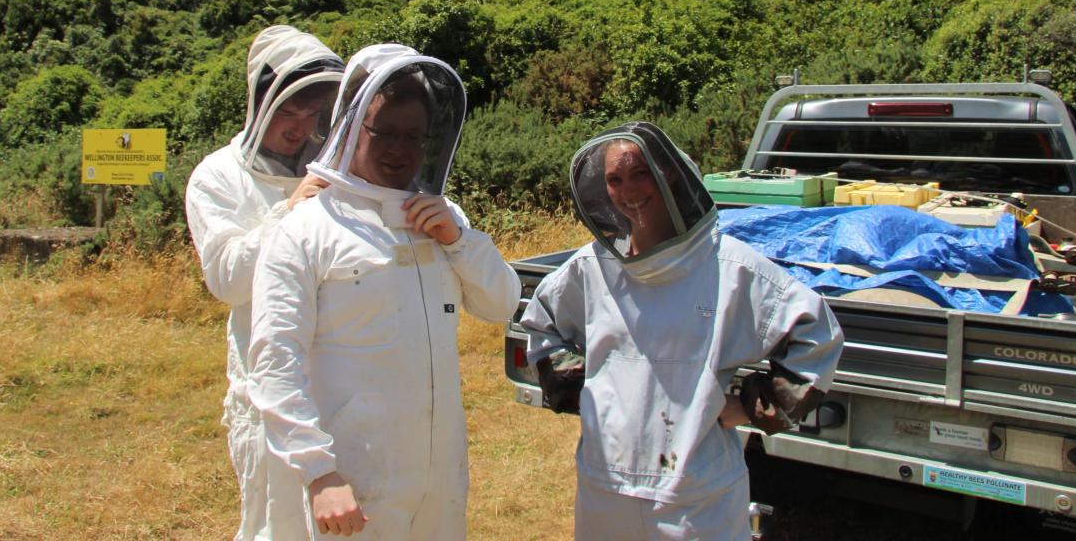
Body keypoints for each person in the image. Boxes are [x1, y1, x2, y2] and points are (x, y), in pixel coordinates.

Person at [248, 44, 521, 540]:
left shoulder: (441, 215)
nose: (400, 149)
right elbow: (274, 359)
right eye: (385, 133)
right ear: (351, 128)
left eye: (414, 136)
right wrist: (319, 472)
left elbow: (502, 303)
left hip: (439, 478)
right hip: (353, 481)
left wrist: (461, 243)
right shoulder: (306, 227)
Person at [521, 122, 843, 541]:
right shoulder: (591, 267)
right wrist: (597, 394)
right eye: (614, 180)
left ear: (669, 172)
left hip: (696, 497)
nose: (629, 191)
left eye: (640, 174)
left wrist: (748, 407)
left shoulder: (729, 266)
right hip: (605, 488)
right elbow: (543, 326)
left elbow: (816, 334)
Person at [186, 26, 344, 541]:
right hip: (266, 395)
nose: (299, 129)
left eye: (311, 116)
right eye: (287, 114)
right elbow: (228, 279)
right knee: (274, 528)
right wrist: (290, 209)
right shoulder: (217, 176)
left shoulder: (334, 170)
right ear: (258, 103)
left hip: (343, 388)